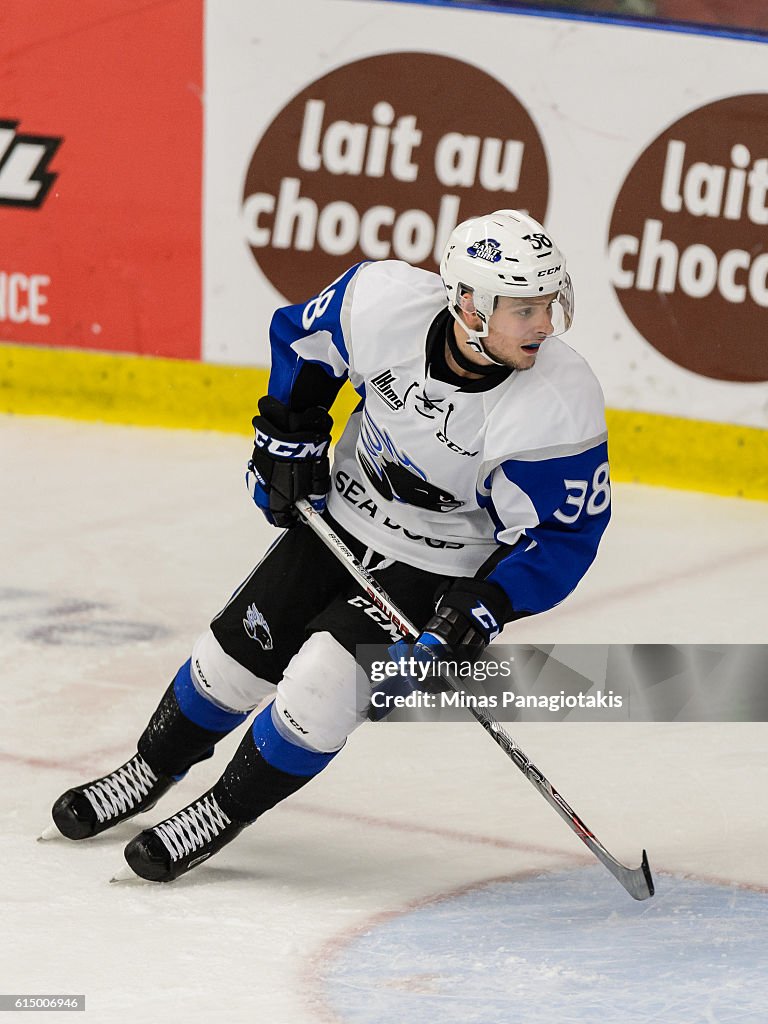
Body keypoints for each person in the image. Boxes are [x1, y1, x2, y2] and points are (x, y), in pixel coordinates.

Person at [47, 209, 611, 883]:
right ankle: (147, 769)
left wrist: (483, 604)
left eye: (549, 304)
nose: (545, 325)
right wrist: (290, 434)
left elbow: (562, 535)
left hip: (439, 566)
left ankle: (221, 811)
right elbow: (304, 344)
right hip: (341, 515)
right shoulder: (383, 303)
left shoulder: (557, 400)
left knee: (321, 687)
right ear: (466, 303)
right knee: (229, 659)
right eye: (525, 309)